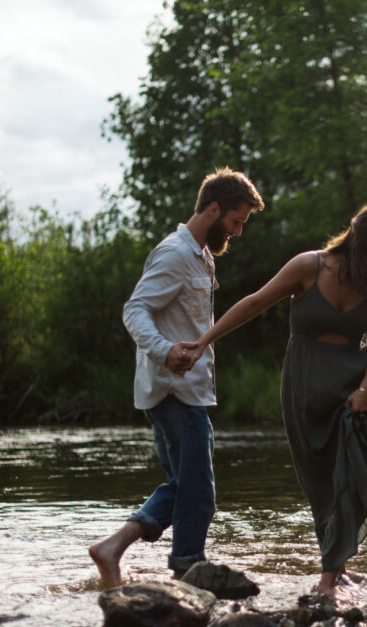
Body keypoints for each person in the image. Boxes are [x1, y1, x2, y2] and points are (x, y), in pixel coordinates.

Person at [181, 199, 367, 596]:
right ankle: (335, 565)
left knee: (352, 475)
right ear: (364, 244)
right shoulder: (310, 266)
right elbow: (254, 302)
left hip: (353, 389)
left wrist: (365, 388)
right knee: (319, 482)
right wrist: (204, 341)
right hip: (305, 384)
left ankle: (328, 576)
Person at [89, 167, 264, 589]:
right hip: (174, 392)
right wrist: (166, 351)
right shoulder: (174, 254)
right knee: (199, 493)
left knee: (183, 487)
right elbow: (134, 310)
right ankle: (186, 568)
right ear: (214, 208)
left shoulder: (200, 254)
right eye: (237, 221)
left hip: (186, 390)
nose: (238, 232)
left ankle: (117, 549)